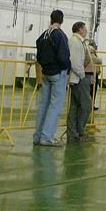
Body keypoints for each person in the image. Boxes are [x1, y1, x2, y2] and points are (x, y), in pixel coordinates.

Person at [32, 10, 70, 146]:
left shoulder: (44, 34)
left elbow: (38, 54)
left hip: (46, 73)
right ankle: (47, 137)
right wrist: (66, 68)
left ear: (51, 19)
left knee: (44, 104)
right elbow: (64, 56)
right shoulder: (60, 35)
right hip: (58, 73)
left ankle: (38, 136)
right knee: (55, 106)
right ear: (62, 20)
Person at [67, 21, 93, 143]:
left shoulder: (78, 41)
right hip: (79, 79)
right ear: (80, 29)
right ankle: (79, 132)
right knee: (86, 106)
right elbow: (75, 62)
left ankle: (73, 134)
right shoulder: (76, 42)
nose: (86, 30)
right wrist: (83, 76)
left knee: (75, 107)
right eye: (85, 28)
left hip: (78, 78)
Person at [87, 39, 102, 111]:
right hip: (92, 74)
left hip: (95, 73)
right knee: (92, 90)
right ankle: (90, 105)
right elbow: (97, 60)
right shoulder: (91, 52)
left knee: (94, 90)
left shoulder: (94, 53)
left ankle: (92, 104)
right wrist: (100, 60)